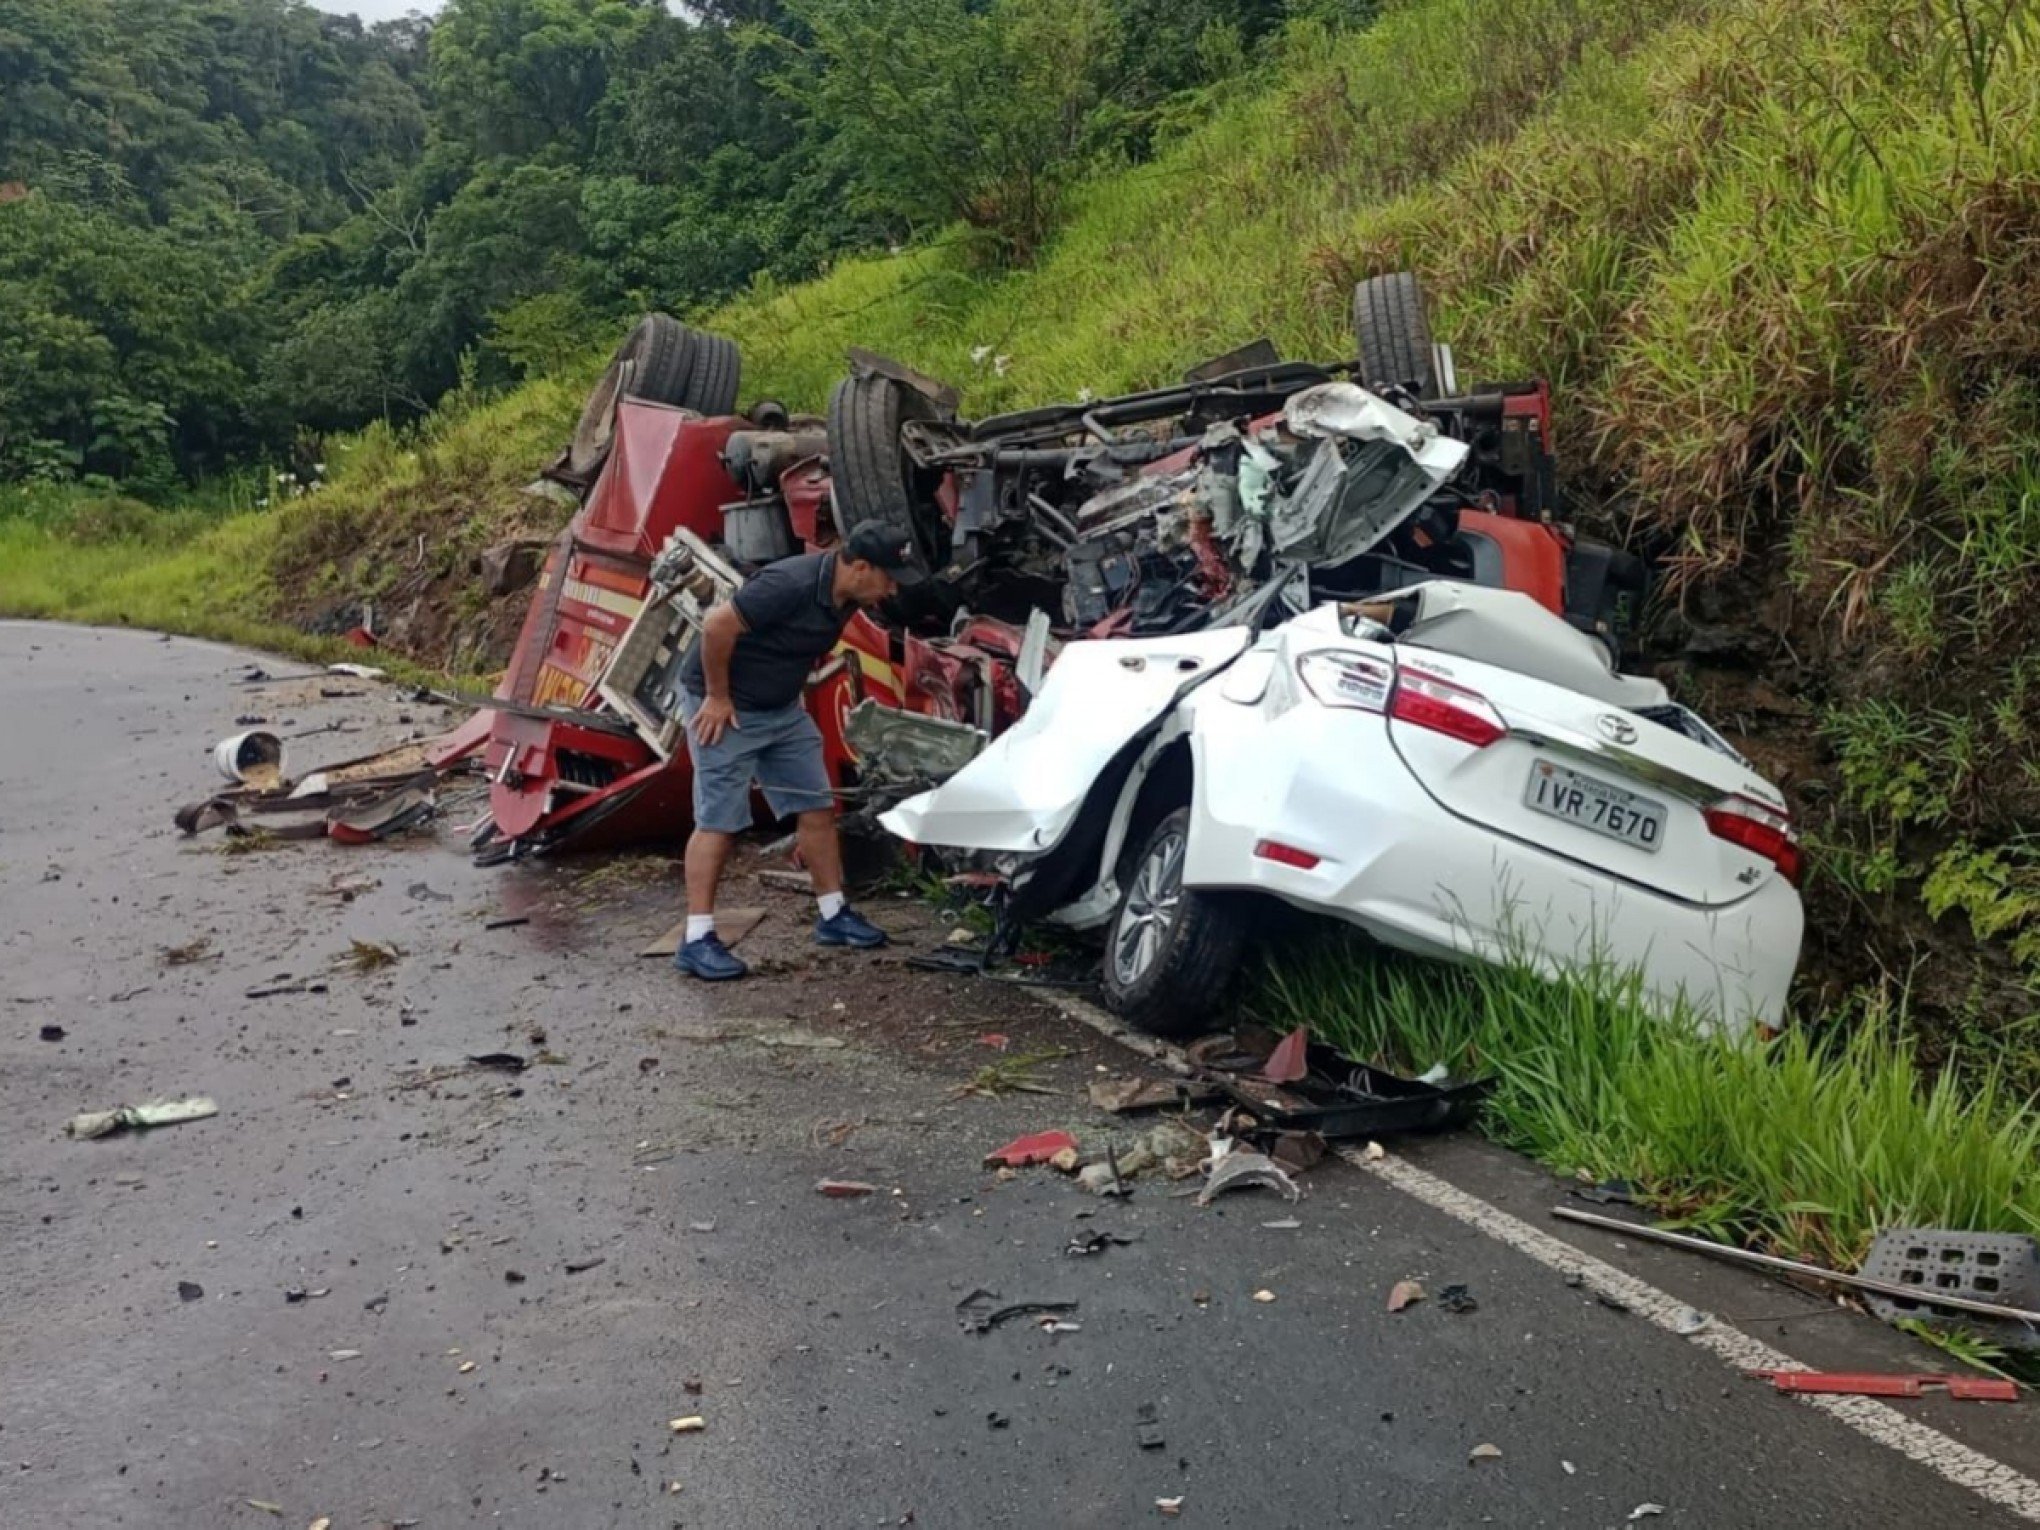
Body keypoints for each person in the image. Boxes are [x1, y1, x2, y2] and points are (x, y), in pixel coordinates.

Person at [670, 521, 923, 980]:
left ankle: (833, 914)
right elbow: (716, 626)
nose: (892, 590)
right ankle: (697, 938)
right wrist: (718, 697)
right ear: (860, 567)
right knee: (719, 821)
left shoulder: (850, 597)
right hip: (727, 707)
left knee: (816, 806)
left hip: (782, 710)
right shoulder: (790, 584)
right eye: (889, 578)